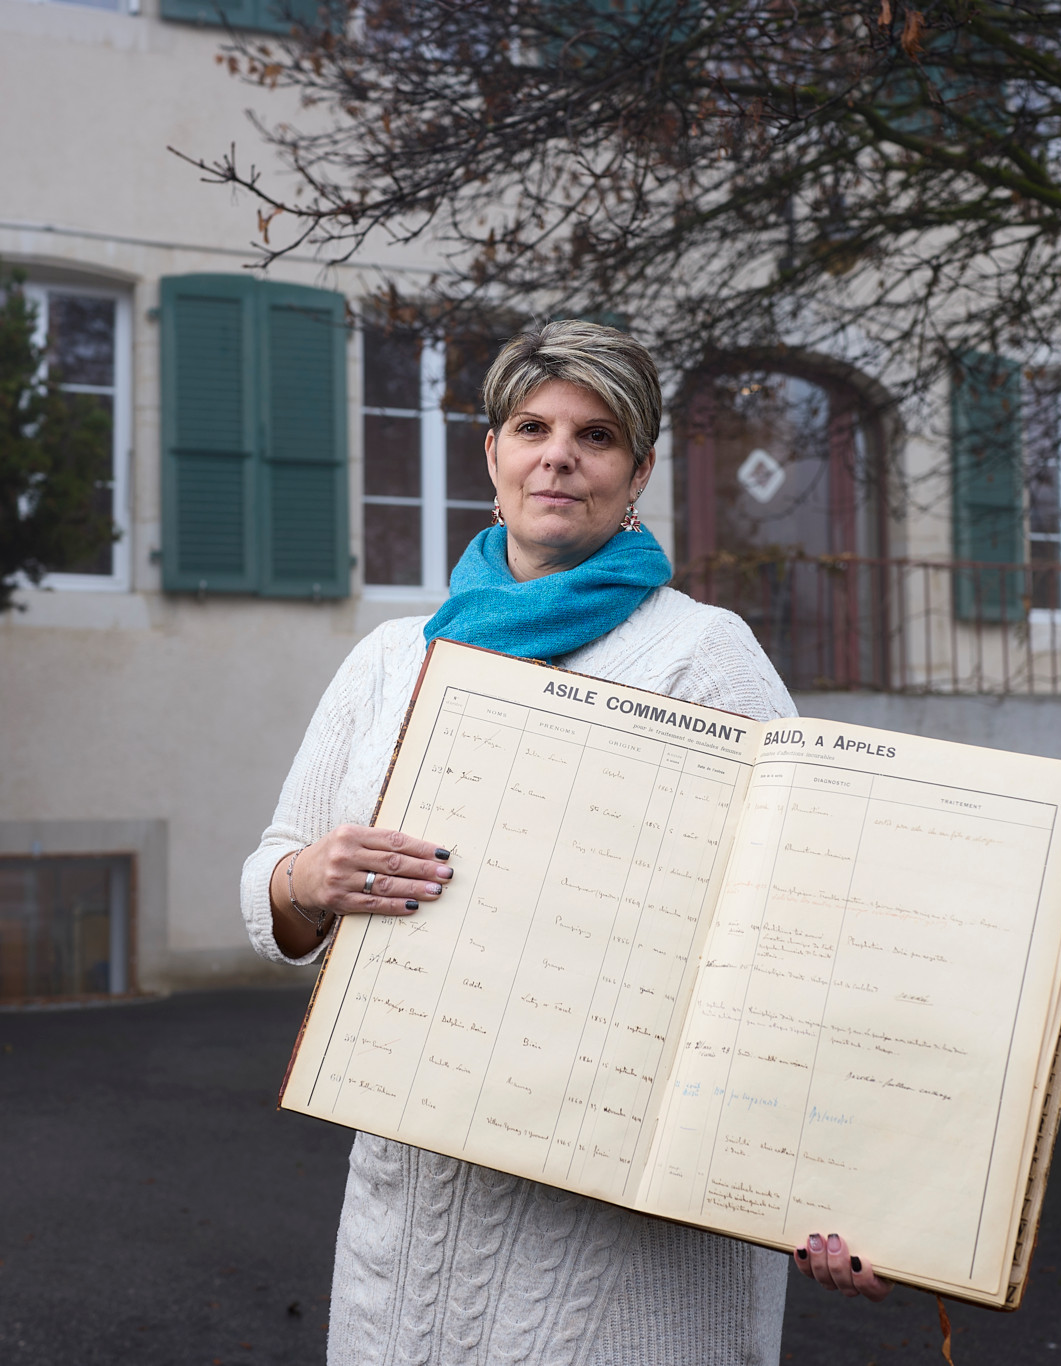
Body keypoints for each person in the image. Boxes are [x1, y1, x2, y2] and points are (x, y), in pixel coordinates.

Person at [241, 321, 888, 1364]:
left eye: (594, 435)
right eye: (531, 426)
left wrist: (837, 1181)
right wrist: (303, 880)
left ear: (636, 471)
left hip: (621, 1251)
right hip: (410, 1222)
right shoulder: (390, 659)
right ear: (490, 452)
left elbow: (804, 928)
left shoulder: (700, 655)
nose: (558, 455)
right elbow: (273, 866)